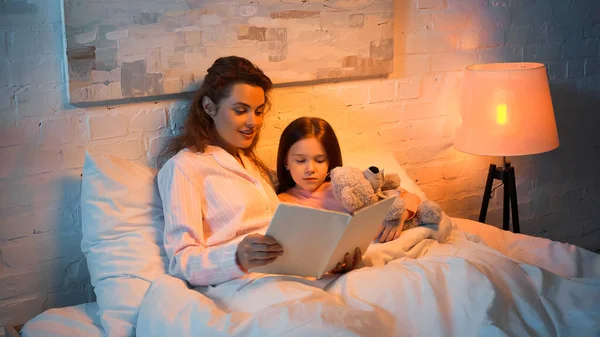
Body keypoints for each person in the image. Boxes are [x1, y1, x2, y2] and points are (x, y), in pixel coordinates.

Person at [157, 56, 284, 287]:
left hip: (282, 275)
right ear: (209, 107)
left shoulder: (251, 164)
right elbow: (181, 261)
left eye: (258, 111)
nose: (253, 122)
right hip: (239, 284)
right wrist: (237, 257)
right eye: (240, 110)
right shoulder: (184, 167)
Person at [276, 117, 422, 245]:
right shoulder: (282, 202)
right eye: (301, 161)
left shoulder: (346, 185)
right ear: (286, 162)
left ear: (329, 162)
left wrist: (400, 216)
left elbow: (410, 198)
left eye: (320, 160)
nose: (310, 169)